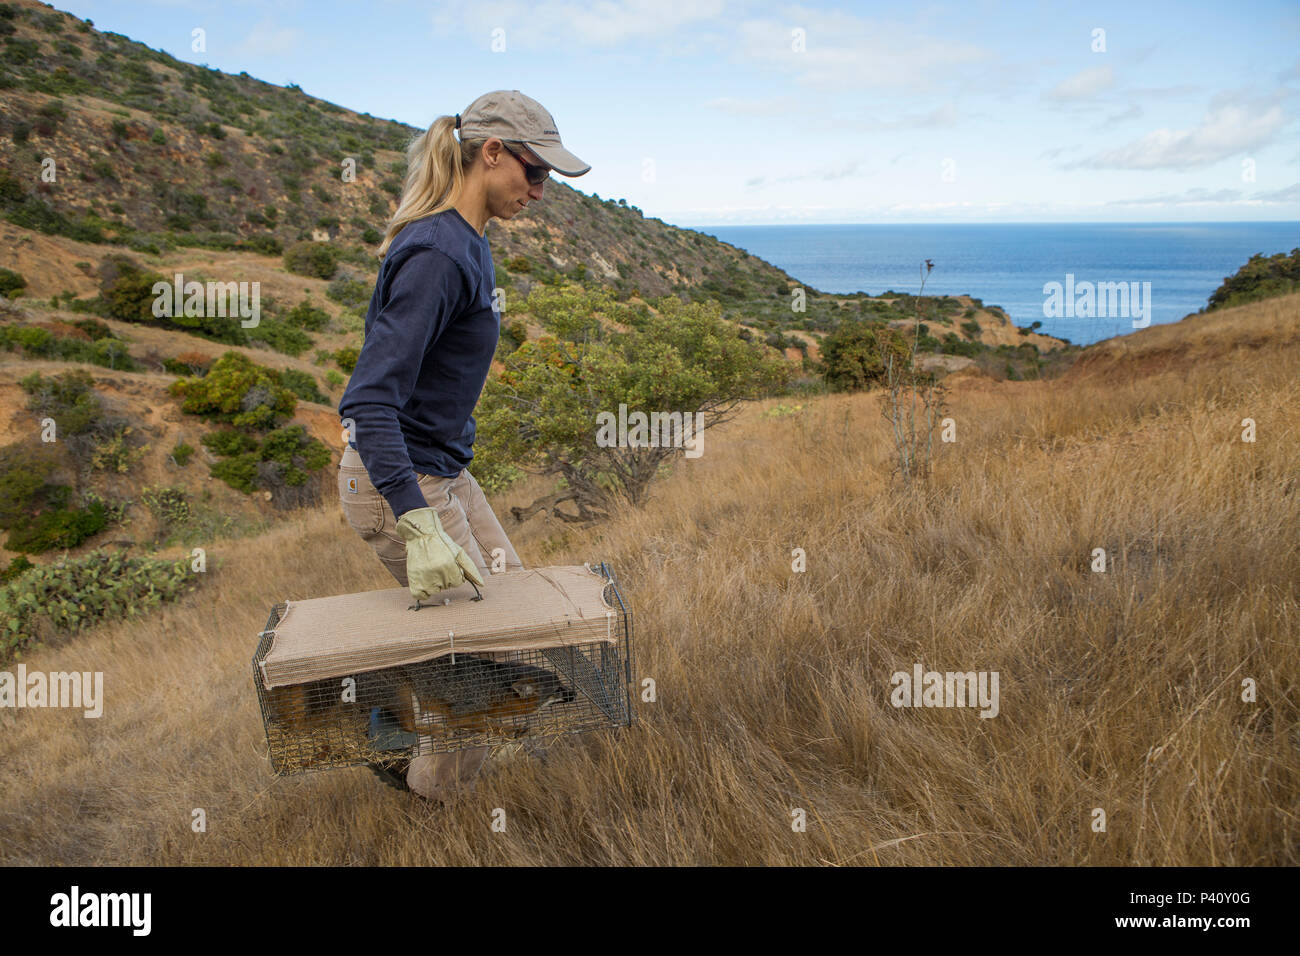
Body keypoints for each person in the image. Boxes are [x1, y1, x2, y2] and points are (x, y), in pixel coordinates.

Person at [336, 90, 591, 801]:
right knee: (493, 664)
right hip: (401, 483)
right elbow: (368, 400)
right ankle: (430, 801)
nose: (538, 193)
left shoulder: (467, 243)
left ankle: (410, 733)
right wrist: (415, 520)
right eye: (533, 173)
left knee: (516, 625)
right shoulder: (440, 252)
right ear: (490, 153)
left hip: (445, 473)